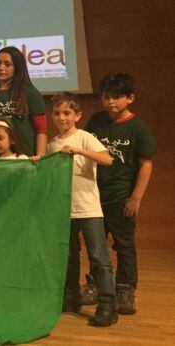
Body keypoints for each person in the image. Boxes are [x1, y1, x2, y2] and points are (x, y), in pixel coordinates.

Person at [35, 93, 118, 326]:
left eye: (67, 113)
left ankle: (108, 304)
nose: (62, 117)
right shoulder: (52, 144)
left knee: (98, 257)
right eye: (57, 113)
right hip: (63, 210)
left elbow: (107, 159)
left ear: (77, 115)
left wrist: (79, 151)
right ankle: (71, 297)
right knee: (69, 256)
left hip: (89, 209)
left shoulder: (84, 137)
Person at [83, 73, 156, 315]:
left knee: (124, 245)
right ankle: (97, 284)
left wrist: (135, 197)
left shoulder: (138, 128)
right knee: (96, 245)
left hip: (121, 198)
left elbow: (146, 163)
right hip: (94, 196)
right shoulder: (95, 121)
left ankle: (125, 289)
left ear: (130, 98)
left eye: (116, 97)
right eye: (106, 97)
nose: (110, 102)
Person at [0, 46, 47, 157]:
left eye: (7, 64)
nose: (1, 67)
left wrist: (40, 157)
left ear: (17, 67)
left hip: (23, 158)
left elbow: (41, 129)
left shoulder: (30, 93)